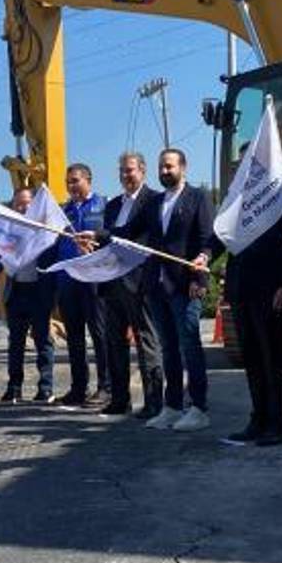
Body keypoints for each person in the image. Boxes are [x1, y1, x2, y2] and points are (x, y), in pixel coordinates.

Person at [98, 148, 215, 432]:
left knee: (189, 346)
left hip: (185, 285)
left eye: (170, 167)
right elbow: (127, 232)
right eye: (162, 167)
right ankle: (173, 406)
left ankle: (198, 408)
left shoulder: (198, 198)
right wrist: (98, 235)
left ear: (183, 168)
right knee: (168, 349)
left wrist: (201, 272)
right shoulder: (156, 203)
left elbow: (207, 239)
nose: (165, 171)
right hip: (155, 286)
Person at [199, 196, 282, 446]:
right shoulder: (237, 200)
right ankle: (259, 419)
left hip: (270, 288)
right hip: (240, 288)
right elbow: (221, 234)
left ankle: (279, 424)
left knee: (273, 359)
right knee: (252, 360)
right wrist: (206, 255)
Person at [100, 152, 164, 418]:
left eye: (130, 171)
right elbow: (108, 241)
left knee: (146, 341)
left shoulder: (154, 201)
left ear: (142, 171)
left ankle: (153, 402)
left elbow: (144, 239)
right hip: (112, 282)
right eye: (122, 172)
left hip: (140, 282)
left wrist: (103, 235)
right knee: (114, 342)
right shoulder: (113, 205)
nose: (126, 176)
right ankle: (119, 399)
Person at [0, 187, 57, 405]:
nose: (22, 208)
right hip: (16, 291)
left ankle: (46, 388)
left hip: (39, 292)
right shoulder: (8, 231)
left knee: (43, 341)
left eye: (27, 204)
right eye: (18, 204)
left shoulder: (45, 231)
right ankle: (14, 388)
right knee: (16, 343)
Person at [57, 163, 111, 407]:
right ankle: (79, 388)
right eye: (68, 182)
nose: (71, 186)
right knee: (75, 338)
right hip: (68, 281)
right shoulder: (62, 211)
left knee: (100, 334)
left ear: (88, 180)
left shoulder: (104, 205)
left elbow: (112, 238)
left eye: (76, 181)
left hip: (95, 280)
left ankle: (106, 387)